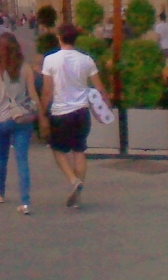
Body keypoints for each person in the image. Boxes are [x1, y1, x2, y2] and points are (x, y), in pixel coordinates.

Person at [41, 24, 111, 209]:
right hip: (82, 111)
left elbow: (47, 91)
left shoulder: (50, 60)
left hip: (60, 112)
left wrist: (42, 112)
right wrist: (107, 104)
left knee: (58, 150)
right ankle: (77, 195)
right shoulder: (86, 60)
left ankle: (73, 180)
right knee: (79, 151)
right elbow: (99, 86)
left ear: (59, 38)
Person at [0, 32, 41, 215]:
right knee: (22, 159)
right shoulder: (26, 68)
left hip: (1, 120)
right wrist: (38, 115)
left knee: (2, 158)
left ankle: (0, 192)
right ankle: (25, 202)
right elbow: (33, 94)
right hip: (22, 119)